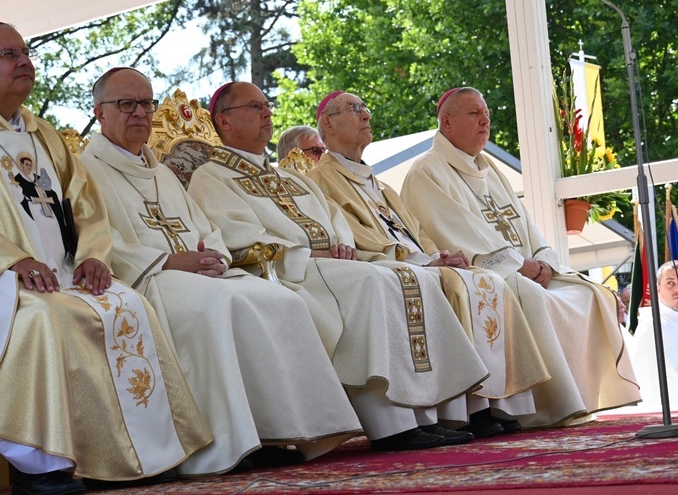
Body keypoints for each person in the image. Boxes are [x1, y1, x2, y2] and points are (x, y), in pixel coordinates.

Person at [0, 21, 214, 493]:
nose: (24, 60)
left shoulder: (43, 134)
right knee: (50, 320)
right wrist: (14, 261)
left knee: (127, 305)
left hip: (63, 274)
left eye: (26, 51)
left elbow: (85, 205)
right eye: (9, 54)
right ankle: (47, 467)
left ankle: (139, 454)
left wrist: (93, 255)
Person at [188, 81, 503, 452]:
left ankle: (423, 413)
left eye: (266, 105)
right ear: (224, 121)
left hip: (329, 266)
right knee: (376, 281)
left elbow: (333, 217)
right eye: (255, 107)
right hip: (289, 271)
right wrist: (308, 255)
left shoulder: (289, 177)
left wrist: (341, 244)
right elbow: (238, 235)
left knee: (400, 276)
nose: (267, 113)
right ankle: (391, 426)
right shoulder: (211, 177)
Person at [79, 67, 361, 475]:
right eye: (126, 104)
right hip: (149, 279)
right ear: (100, 113)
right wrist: (168, 261)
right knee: (223, 305)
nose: (139, 112)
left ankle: (281, 430)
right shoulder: (85, 170)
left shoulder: (161, 172)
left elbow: (207, 228)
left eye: (146, 103)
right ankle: (229, 442)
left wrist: (214, 255)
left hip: (200, 273)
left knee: (280, 299)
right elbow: (95, 237)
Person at [308, 90, 551, 432]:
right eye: (355, 109)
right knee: (449, 281)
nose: (367, 116)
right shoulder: (319, 180)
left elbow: (415, 229)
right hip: (378, 266)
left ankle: (474, 405)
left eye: (365, 108)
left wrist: (437, 255)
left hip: (415, 261)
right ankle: (449, 411)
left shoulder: (379, 184)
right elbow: (351, 234)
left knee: (476, 278)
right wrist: (422, 262)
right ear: (328, 124)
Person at [401, 86, 641, 426]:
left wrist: (544, 260)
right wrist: (519, 265)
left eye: (486, 114)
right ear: (447, 121)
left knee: (588, 292)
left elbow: (525, 224)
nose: (485, 120)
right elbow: (454, 232)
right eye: (474, 114)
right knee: (529, 294)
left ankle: (580, 397)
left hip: (524, 268)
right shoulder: (426, 171)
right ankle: (550, 404)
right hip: (480, 273)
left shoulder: (489, 168)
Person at [630, 261, 678, 410]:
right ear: (658, 288)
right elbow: (648, 386)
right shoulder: (651, 328)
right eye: (670, 283)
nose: (677, 288)